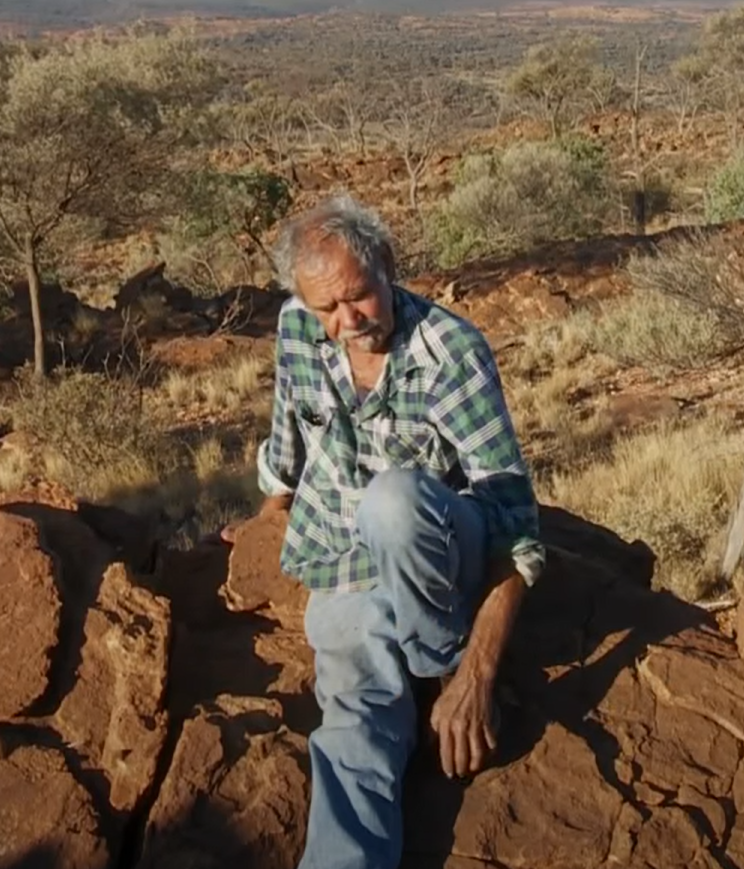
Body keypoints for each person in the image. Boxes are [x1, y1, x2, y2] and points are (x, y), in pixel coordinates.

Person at [220, 195, 544, 869]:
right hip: (342, 560)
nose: (346, 322)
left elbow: (516, 526)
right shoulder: (298, 329)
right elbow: (290, 429)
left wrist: (477, 673)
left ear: (388, 267)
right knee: (353, 724)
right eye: (326, 309)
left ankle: (438, 665)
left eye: (359, 297)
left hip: (437, 550)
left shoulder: (450, 351)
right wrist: (270, 509)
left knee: (392, 500)